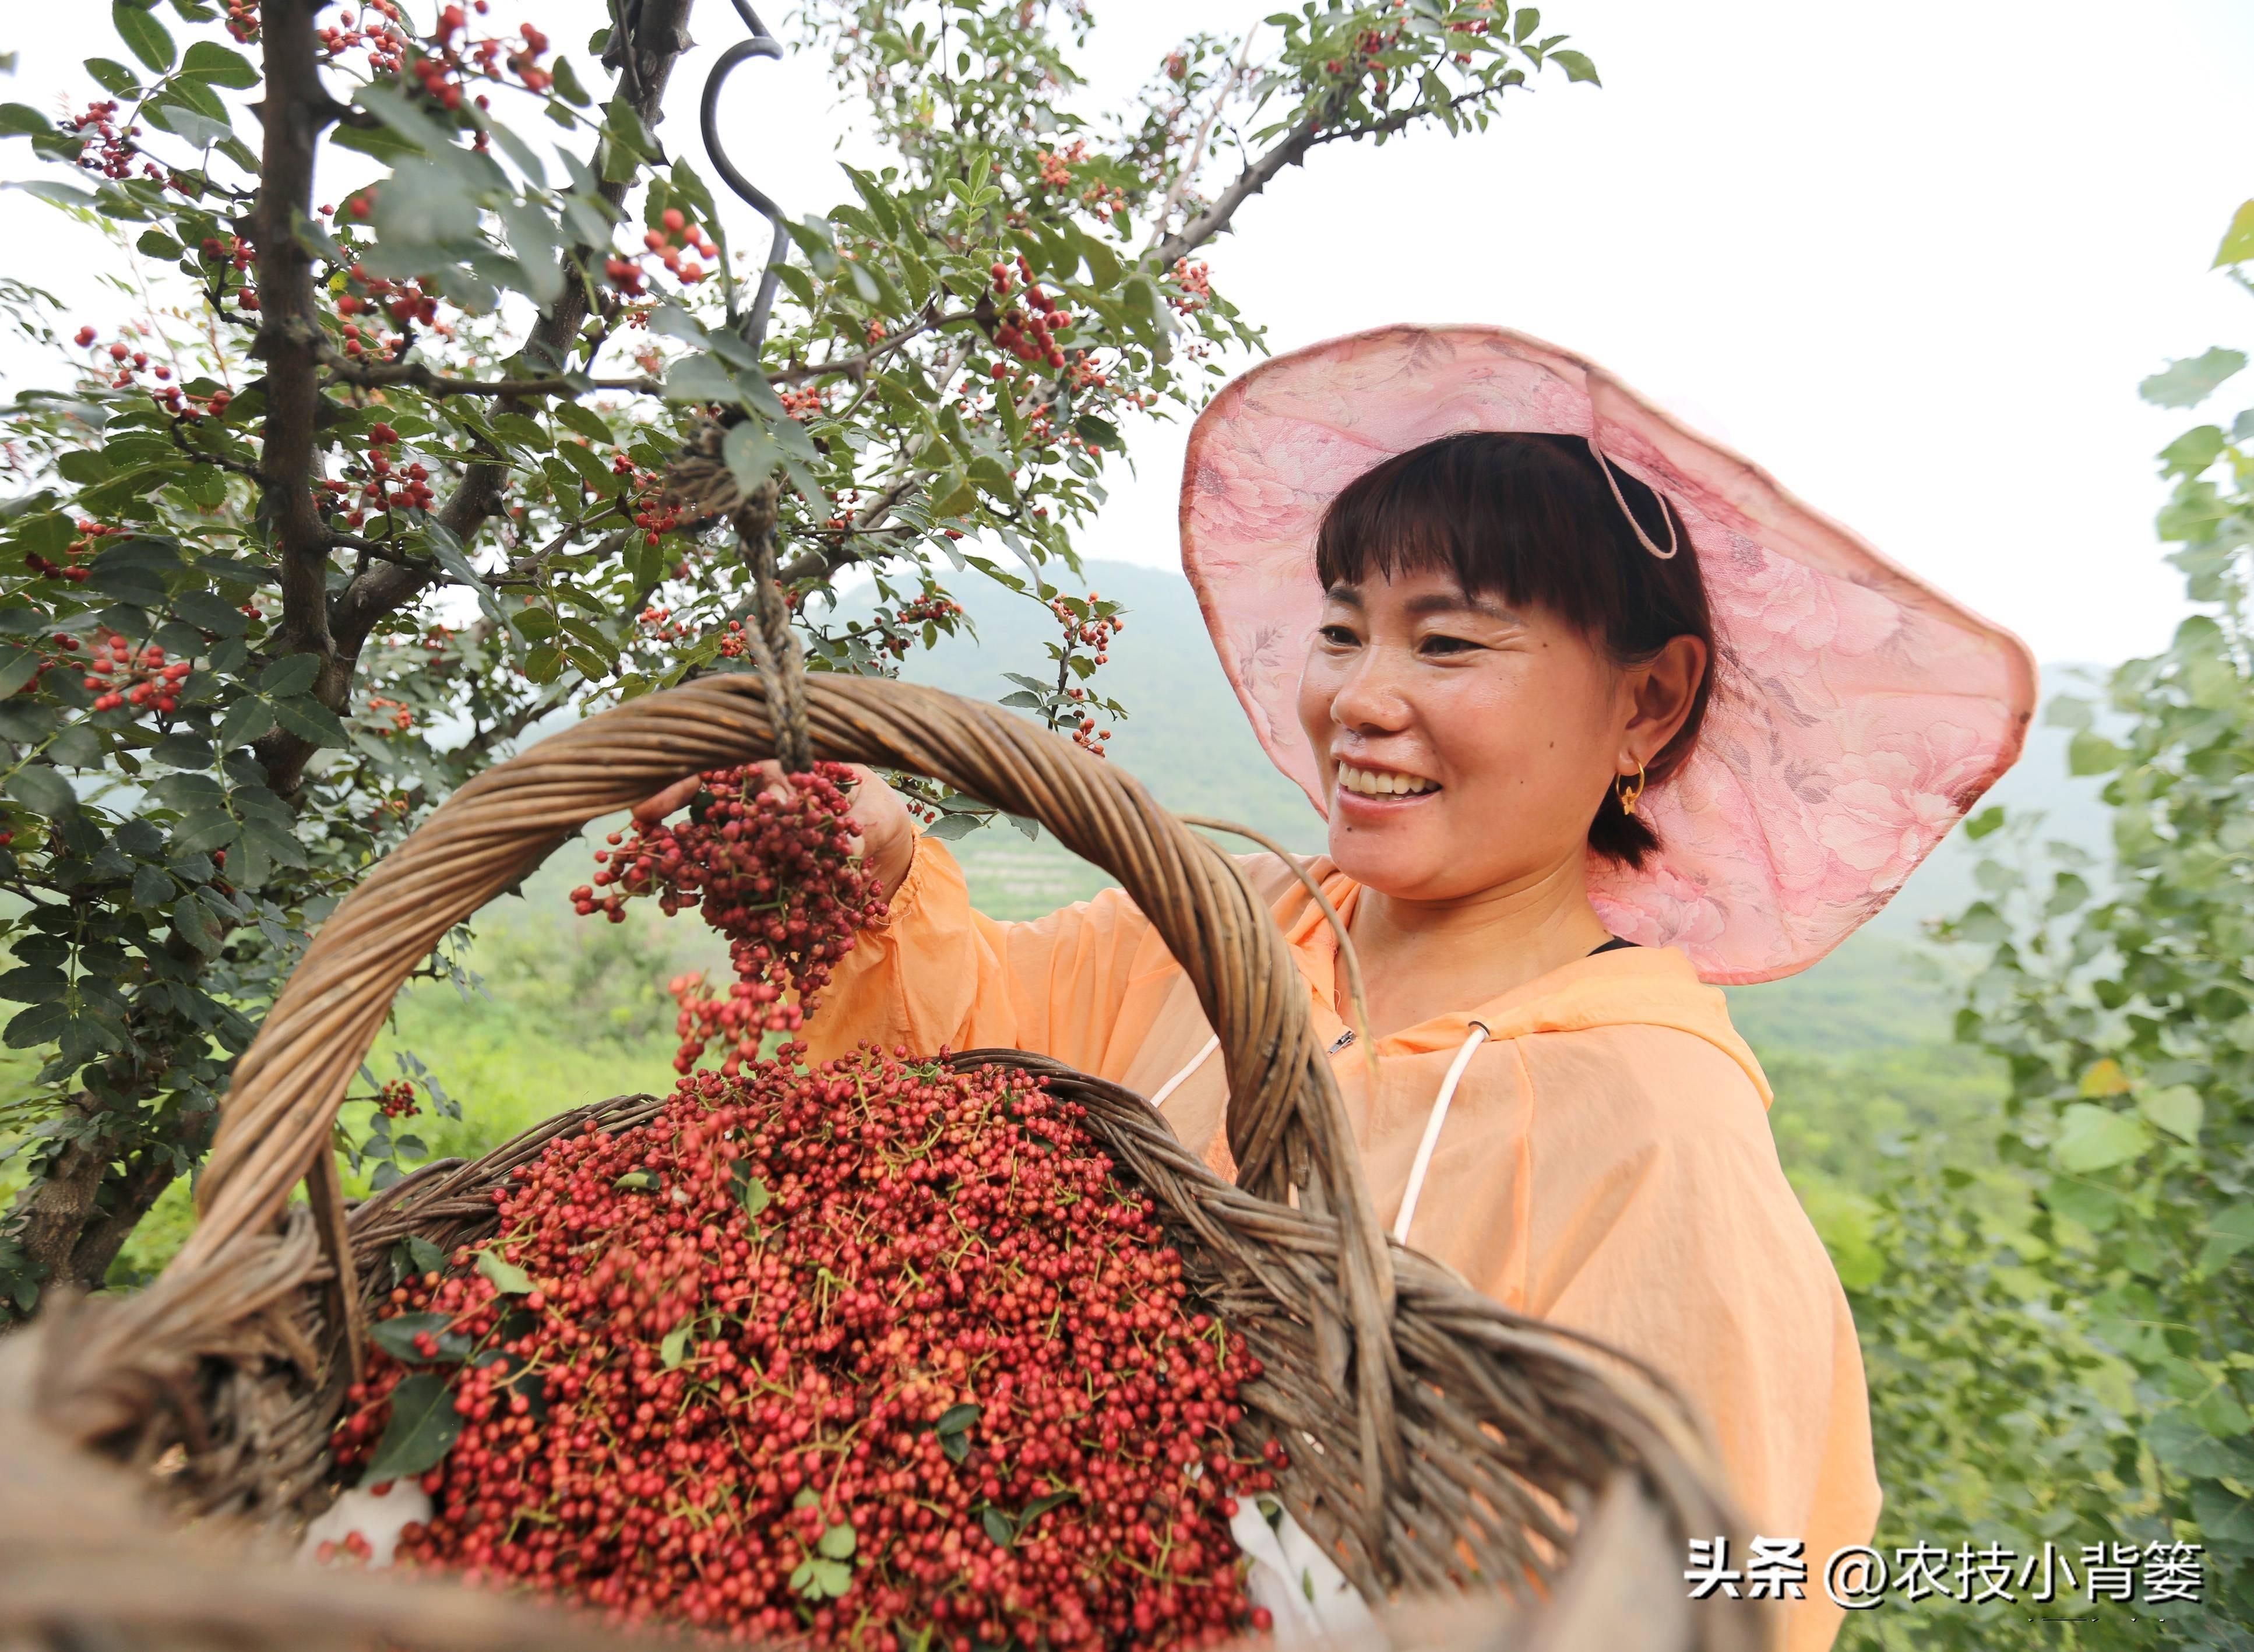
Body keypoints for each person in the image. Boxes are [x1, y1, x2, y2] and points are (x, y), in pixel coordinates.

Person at [640, 327, 2037, 1652]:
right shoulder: (1227, 926)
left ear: (1648, 702)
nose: (1359, 700)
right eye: (1340, 631)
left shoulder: (1653, 1135)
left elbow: (1669, 1585)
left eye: (1447, 644)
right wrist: (874, 871)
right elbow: (949, 1050)